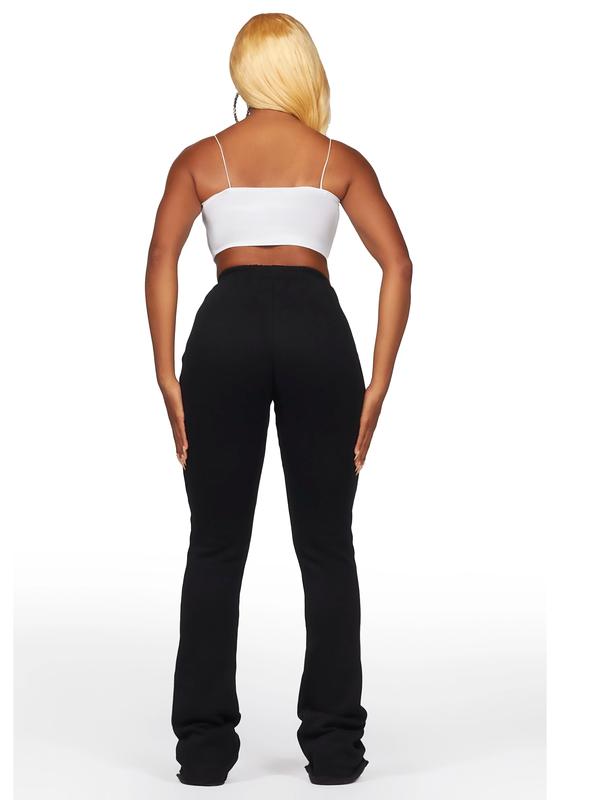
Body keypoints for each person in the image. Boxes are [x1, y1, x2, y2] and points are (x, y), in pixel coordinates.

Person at [144, 12, 412, 787]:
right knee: (326, 546)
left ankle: (202, 753)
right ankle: (334, 750)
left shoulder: (200, 159)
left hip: (223, 333)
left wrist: (166, 371)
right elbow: (398, 264)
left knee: (214, 546)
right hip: (315, 332)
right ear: (301, 68)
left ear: (242, 70)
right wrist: (379, 381)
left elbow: (161, 256)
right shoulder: (338, 159)